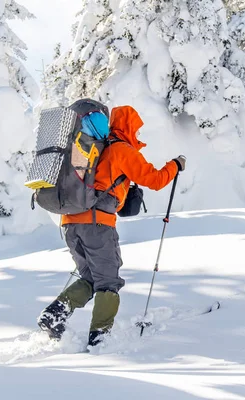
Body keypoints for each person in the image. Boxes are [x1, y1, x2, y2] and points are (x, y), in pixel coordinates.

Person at [37, 105, 186, 347]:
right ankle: (100, 338)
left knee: (90, 277)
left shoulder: (97, 149)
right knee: (108, 281)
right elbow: (155, 180)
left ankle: (54, 316)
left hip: (70, 222)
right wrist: (175, 166)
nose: (137, 136)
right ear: (129, 127)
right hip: (97, 224)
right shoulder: (121, 150)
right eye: (136, 130)